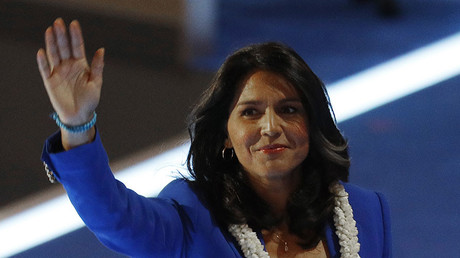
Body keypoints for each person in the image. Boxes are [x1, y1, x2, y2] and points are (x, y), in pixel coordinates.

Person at [38, 18, 391, 258]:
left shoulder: (365, 212)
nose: (270, 127)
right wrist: (77, 125)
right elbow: (113, 216)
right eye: (250, 112)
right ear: (225, 136)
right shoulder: (191, 219)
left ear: (312, 124)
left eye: (289, 110)